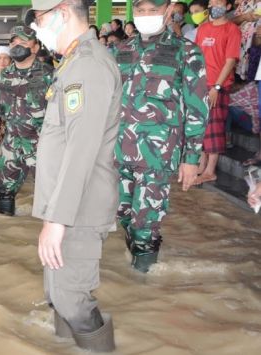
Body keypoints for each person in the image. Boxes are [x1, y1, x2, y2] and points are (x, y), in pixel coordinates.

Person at [29, 0, 121, 351]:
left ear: (62, 13)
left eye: (39, 19)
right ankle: (71, 347)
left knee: (72, 299)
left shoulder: (88, 65)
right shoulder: (73, 62)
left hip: (78, 208)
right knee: (58, 295)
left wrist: (57, 219)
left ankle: (100, 349)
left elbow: (80, 149)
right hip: (66, 206)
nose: (37, 28)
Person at [112, 0, 209, 273]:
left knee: (146, 222)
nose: (145, 15)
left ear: (167, 11)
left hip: (157, 153)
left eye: (152, 10)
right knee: (122, 214)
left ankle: (142, 280)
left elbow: (197, 108)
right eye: (140, 10)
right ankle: (136, 267)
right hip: (119, 150)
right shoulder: (121, 50)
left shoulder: (186, 51)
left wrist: (191, 159)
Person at [0, 25, 53, 215]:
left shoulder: (50, 75)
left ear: (35, 47)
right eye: (13, 42)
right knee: (2, 193)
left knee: (53, 197)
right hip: (11, 144)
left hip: (44, 145)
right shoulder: (2, 77)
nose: (17, 46)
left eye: (23, 42)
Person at [195, 0, 241, 183]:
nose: (213, 5)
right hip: (201, 84)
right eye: (211, 2)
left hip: (218, 86)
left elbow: (230, 61)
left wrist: (217, 87)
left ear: (228, 7)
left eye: (218, 2)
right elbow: (197, 56)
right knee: (201, 126)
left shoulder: (232, 29)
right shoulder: (203, 28)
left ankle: (210, 170)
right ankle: (201, 162)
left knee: (214, 127)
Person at [232, 0, 261, 80]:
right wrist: (243, 17)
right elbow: (231, 23)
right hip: (238, 52)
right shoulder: (244, 3)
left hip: (255, 56)